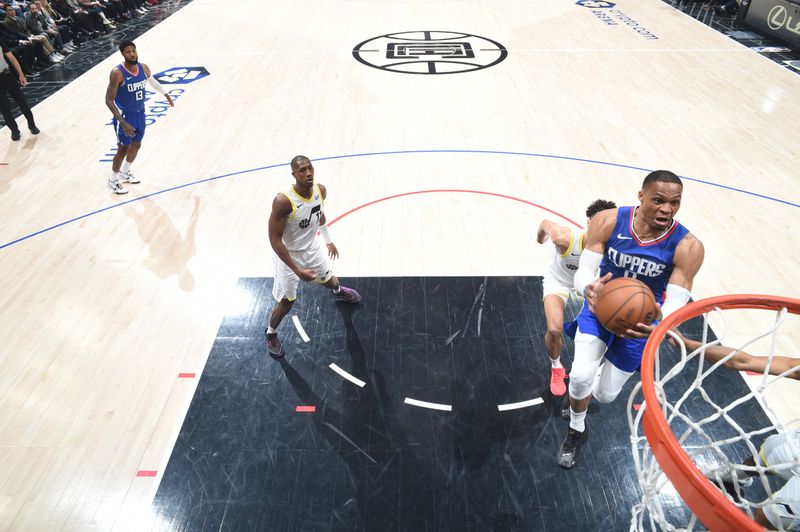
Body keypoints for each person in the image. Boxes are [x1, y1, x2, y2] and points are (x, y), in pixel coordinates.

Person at [556, 170, 705, 469]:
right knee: (581, 376)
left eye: (675, 203)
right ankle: (577, 428)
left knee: (606, 395)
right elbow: (584, 271)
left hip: (639, 325)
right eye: (659, 200)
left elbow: (677, 299)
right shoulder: (609, 221)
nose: (667, 208)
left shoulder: (688, 246)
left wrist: (664, 318)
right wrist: (588, 288)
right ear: (641, 196)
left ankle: (582, 396)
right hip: (600, 309)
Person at [265, 155, 361, 357]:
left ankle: (338, 292)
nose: (308, 173)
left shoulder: (320, 190)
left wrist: (328, 240)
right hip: (288, 257)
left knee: (330, 280)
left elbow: (319, 214)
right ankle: (271, 333)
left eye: (310, 168)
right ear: (294, 174)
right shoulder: (283, 201)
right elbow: (275, 241)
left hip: (311, 249)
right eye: (302, 170)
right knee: (287, 302)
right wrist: (297, 270)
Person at [536, 199, 616, 396]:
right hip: (559, 283)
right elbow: (545, 223)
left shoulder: (613, 247)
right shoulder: (564, 238)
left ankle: (600, 369)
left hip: (591, 287)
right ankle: (556, 367)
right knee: (554, 329)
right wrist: (540, 239)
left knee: (611, 328)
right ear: (590, 222)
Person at [104, 40, 173, 194]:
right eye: (128, 52)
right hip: (125, 116)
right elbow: (108, 100)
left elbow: (152, 81)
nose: (132, 54)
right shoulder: (118, 73)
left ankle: (125, 172)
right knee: (123, 148)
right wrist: (122, 122)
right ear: (122, 54)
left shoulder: (143, 67)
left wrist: (166, 94)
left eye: (133, 50)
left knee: (136, 145)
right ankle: (113, 180)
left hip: (140, 113)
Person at [0, 38, 39, 140]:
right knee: (4, 109)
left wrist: (21, 74)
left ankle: (32, 125)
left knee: (22, 101)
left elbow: (11, 57)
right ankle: (14, 130)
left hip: (7, 75)